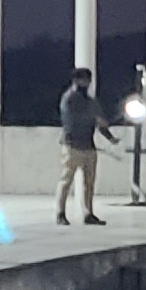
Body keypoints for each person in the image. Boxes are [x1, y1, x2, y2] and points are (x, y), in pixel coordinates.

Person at [56, 65, 106, 225]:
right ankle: (60, 213)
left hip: (89, 146)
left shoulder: (91, 101)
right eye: (84, 80)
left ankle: (88, 213)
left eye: (88, 80)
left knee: (89, 183)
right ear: (76, 81)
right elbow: (70, 120)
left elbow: (99, 121)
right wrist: (93, 119)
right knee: (66, 180)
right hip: (72, 145)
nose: (87, 83)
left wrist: (109, 136)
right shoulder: (68, 99)